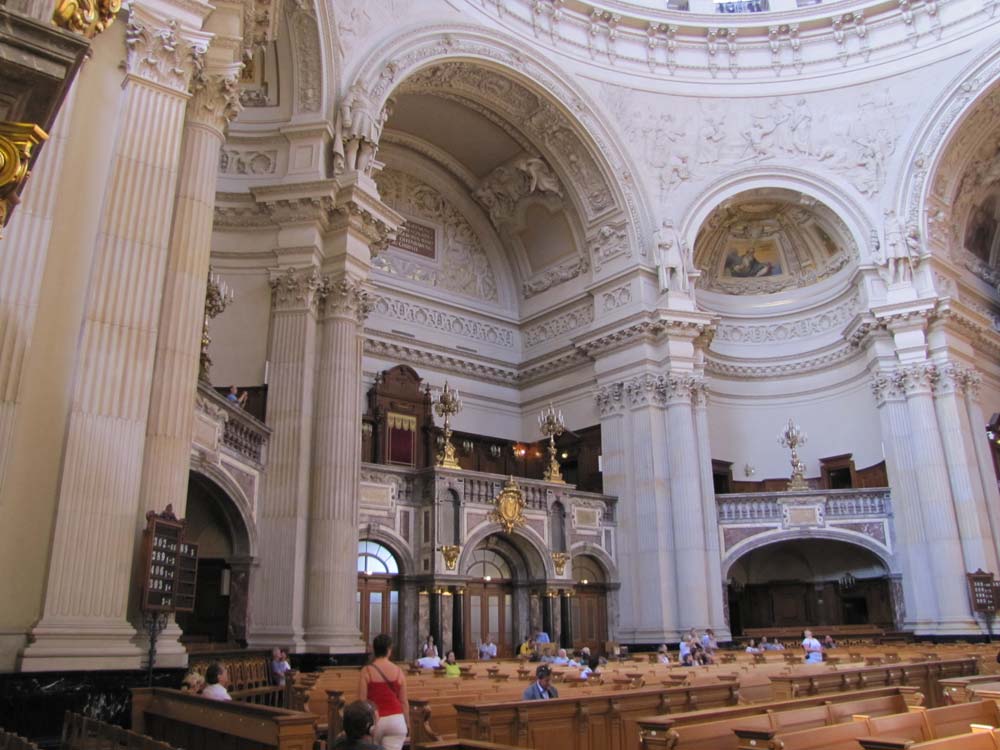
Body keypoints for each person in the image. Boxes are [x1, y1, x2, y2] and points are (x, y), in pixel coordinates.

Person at [358, 633, 409, 750]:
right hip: (397, 720)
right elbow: (404, 702)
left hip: (377, 720)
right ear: (389, 650)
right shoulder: (398, 671)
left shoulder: (367, 671)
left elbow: (362, 702)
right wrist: (407, 723)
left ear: (374, 650)